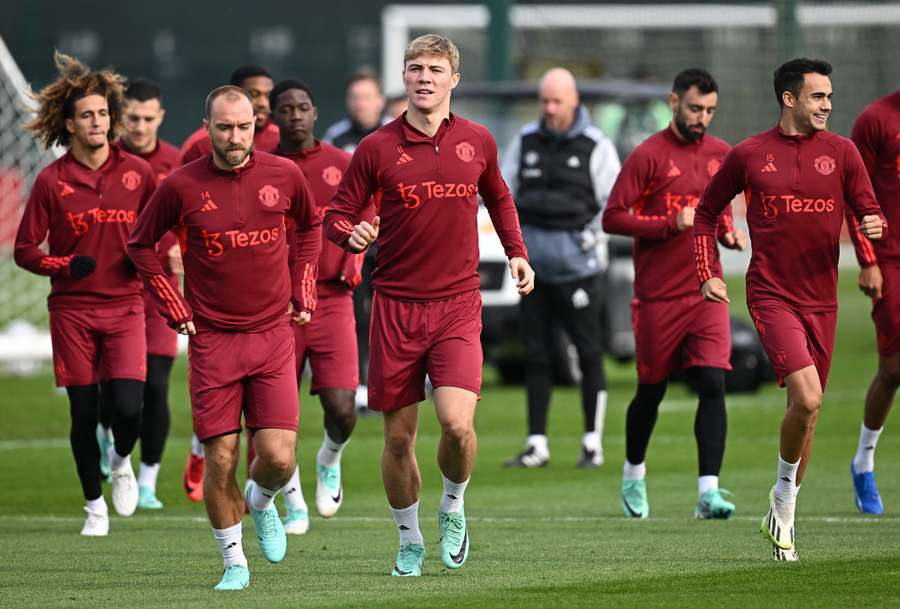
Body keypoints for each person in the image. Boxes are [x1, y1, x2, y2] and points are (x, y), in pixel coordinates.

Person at [324, 34, 534, 577]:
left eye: (435, 69)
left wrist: (517, 253)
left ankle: (454, 505)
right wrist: (350, 235)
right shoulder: (375, 147)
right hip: (394, 308)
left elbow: (500, 196)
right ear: (405, 77)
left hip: (458, 305)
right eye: (415, 68)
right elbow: (336, 215)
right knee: (397, 439)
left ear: (452, 80)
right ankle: (410, 538)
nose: (424, 77)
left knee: (457, 425)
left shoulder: (477, 140)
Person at [128, 85, 321, 589]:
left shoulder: (285, 174)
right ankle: (234, 562)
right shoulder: (180, 185)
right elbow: (140, 244)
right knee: (221, 457)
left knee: (277, 457)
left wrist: (303, 287)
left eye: (243, 126)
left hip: (273, 335)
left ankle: (261, 502)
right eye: (224, 127)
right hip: (213, 341)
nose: (235, 137)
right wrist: (173, 304)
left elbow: (310, 228)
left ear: (256, 125)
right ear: (207, 127)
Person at [693, 58, 885, 561]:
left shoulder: (842, 153)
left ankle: (784, 517)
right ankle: (782, 494)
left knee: (808, 412)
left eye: (829, 96)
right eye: (818, 96)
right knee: (808, 398)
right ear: (789, 98)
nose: (827, 105)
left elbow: (869, 207)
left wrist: (874, 227)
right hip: (771, 294)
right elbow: (706, 213)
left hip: (824, 300)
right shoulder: (750, 155)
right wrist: (707, 271)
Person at [14, 52, 156, 535]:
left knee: (129, 408)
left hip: (126, 306)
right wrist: (64, 264)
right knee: (84, 411)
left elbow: (164, 230)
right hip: (72, 311)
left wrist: (154, 257)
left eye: (102, 113)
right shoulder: (52, 182)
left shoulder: (139, 173)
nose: (97, 122)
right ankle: (94, 507)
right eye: (87, 116)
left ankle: (120, 462)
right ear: (69, 125)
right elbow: (24, 250)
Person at [603, 69, 747, 519]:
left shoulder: (722, 155)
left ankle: (709, 492)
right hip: (657, 297)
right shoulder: (648, 155)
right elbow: (612, 218)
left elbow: (715, 211)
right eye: (694, 109)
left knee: (712, 383)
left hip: (706, 292)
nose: (702, 118)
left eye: (709, 111)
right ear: (673, 103)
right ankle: (633, 472)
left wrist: (727, 233)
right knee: (651, 390)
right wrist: (668, 224)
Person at [269, 78, 374, 533]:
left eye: (303, 108)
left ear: (316, 114)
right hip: (277, 307)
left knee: (343, 408)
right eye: (286, 109)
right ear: (272, 118)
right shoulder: (263, 168)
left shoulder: (341, 164)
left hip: (332, 299)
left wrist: (360, 244)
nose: (295, 116)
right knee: (275, 415)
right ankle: (292, 502)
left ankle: (329, 458)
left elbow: (370, 211)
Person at [500, 67, 619, 469]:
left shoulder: (595, 145)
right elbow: (504, 193)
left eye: (557, 101)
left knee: (588, 353)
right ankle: (537, 444)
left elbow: (613, 202)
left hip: (579, 270)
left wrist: (589, 238)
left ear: (574, 102)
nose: (549, 109)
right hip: (533, 273)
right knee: (536, 355)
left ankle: (592, 442)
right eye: (544, 101)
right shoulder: (526, 140)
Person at [112, 78, 181, 510]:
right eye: (132, 118)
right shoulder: (106, 161)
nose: (139, 126)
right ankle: (112, 449)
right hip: (114, 291)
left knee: (155, 387)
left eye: (147, 118)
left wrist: (180, 247)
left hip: (159, 292)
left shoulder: (176, 163)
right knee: (117, 392)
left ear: (160, 117)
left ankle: (149, 480)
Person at [846, 89, 900, 514]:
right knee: (895, 368)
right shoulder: (876, 119)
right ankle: (863, 462)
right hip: (892, 260)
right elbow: (855, 194)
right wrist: (868, 260)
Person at [178, 65, 280, 166]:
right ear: (233, 96)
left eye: (269, 96)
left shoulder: (280, 137)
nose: (263, 103)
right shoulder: (198, 144)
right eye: (253, 94)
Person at [322, 69, 390, 153]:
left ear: (381, 101)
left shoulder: (397, 133)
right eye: (354, 98)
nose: (360, 105)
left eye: (366, 97)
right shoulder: (334, 136)